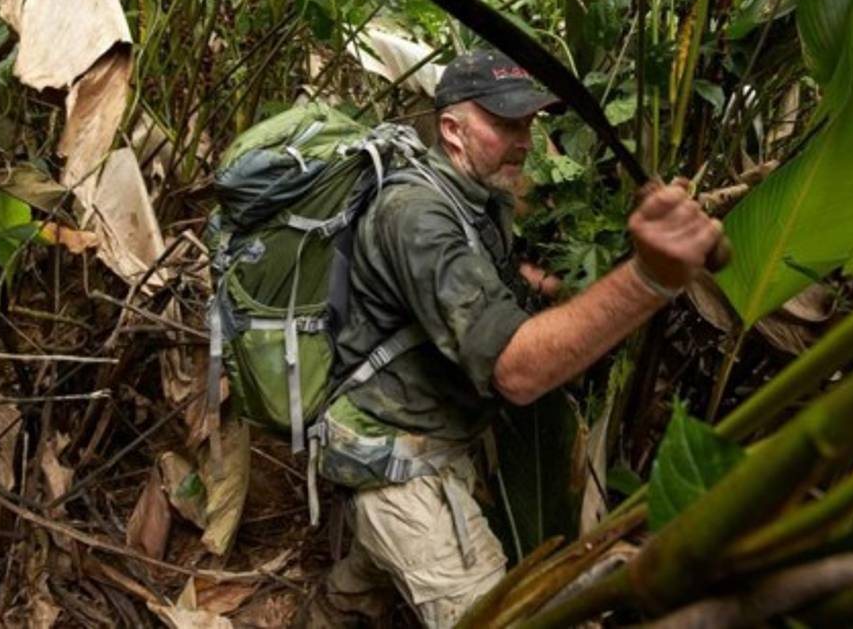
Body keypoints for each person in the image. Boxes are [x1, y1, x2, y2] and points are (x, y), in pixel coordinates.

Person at [307, 48, 727, 627]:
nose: (526, 141)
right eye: (506, 123)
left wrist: (627, 239)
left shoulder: (479, 197)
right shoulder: (416, 215)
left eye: (529, 123)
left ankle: (331, 608)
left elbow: (509, 283)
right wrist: (649, 277)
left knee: (365, 579)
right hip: (395, 455)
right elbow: (517, 371)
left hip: (437, 435)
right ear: (451, 129)